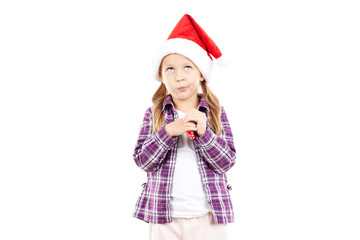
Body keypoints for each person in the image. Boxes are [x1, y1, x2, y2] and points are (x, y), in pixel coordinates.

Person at [132, 14, 236, 240]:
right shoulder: (154, 114)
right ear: (161, 75)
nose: (179, 77)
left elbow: (226, 162)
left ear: (200, 72)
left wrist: (205, 134)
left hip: (209, 216)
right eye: (170, 69)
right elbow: (143, 161)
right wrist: (169, 131)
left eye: (187, 67)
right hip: (164, 217)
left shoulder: (216, 113)